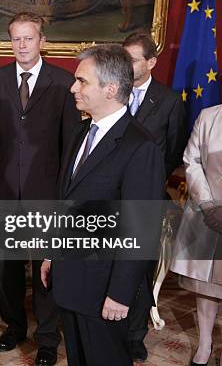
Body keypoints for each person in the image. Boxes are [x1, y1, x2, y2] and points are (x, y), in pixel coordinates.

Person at [41, 44, 165, 365]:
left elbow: (142, 228)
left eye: (81, 81)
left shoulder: (141, 147)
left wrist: (121, 293)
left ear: (110, 89)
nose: (73, 87)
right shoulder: (81, 131)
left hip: (106, 291)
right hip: (71, 281)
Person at [0, 11, 80, 365]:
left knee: (45, 268)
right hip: (5, 186)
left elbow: (70, 144)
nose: (22, 44)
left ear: (42, 41)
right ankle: (15, 326)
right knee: (8, 265)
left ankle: (49, 337)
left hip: (46, 190)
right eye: (16, 38)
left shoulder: (64, 82)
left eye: (29, 38)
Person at [170, 48, 222, 366]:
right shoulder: (208, 115)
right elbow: (192, 160)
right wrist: (209, 205)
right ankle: (204, 344)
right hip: (205, 214)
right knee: (205, 281)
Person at [122, 31, 188, 361]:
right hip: (109, 198)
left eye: (132, 59)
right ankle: (109, 327)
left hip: (146, 199)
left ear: (151, 62)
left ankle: (135, 334)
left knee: (138, 270)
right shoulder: (110, 93)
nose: (126, 64)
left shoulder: (170, 101)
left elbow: (174, 151)